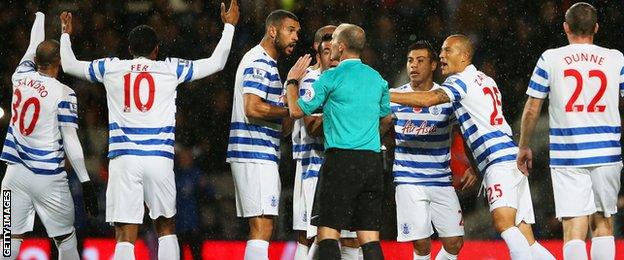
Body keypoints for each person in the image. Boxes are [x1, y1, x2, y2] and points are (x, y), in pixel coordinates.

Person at [58, 1, 239, 258]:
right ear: (157, 49)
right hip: (159, 159)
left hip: (124, 159)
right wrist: (229, 27)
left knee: (125, 232)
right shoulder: (170, 68)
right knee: (166, 228)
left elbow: (69, 64)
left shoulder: (112, 67)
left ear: (130, 49)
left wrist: (65, 34)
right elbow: (216, 62)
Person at [389, 34, 554, 259]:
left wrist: (383, 94)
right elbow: (470, 128)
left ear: (465, 56)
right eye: (442, 51)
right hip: (510, 157)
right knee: (526, 237)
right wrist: (476, 167)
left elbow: (427, 100)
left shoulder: (458, 82)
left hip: (498, 162)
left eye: (448, 51)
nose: (442, 55)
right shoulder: (485, 79)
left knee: (504, 224)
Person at [517, 2, 624, 260]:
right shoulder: (616, 58)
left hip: (569, 155)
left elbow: (532, 108)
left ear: (565, 27)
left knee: (574, 227)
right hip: (607, 153)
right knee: (603, 223)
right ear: (596, 28)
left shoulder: (550, 58)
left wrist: (523, 146)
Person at [286, 23, 389, 260]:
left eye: (333, 43)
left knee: (328, 234)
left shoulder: (330, 77)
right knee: (369, 237)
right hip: (372, 162)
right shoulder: (378, 79)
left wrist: (292, 82)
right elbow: (386, 118)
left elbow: (296, 111)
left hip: (340, 161)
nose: (330, 46)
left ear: (341, 47)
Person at [1, 12, 97, 260]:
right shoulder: (64, 93)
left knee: (8, 241)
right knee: (65, 240)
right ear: (61, 61)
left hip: (13, 175)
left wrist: (39, 16)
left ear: (36, 60)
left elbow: (33, 45)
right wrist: (85, 181)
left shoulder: (20, 75)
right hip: (49, 179)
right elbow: (70, 139)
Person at [380, 40, 477, 260]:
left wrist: (471, 164)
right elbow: (381, 130)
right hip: (408, 179)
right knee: (422, 244)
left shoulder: (446, 98)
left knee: (454, 243)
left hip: (441, 179)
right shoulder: (396, 97)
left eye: (420, 61)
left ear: (433, 65)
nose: (413, 66)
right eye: (410, 61)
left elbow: (462, 131)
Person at [225, 9, 299, 260]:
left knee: (264, 226)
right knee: (262, 227)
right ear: (272, 31)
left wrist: (287, 106)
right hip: (253, 152)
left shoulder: (269, 64)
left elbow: (282, 122)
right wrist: (288, 110)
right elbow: (253, 107)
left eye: (298, 32)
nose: (296, 37)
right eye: (291, 30)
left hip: (258, 152)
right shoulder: (259, 61)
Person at [291, 29, 362, 260]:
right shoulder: (311, 79)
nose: (332, 55)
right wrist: (349, 116)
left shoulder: (347, 78)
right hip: (314, 167)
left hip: (345, 166)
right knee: (316, 235)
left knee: (350, 236)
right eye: (326, 48)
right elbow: (311, 125)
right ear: (318, 50)